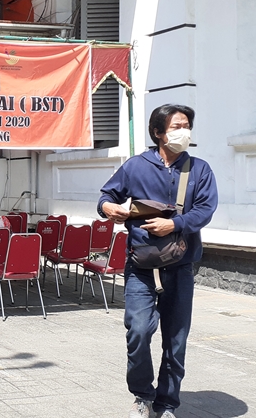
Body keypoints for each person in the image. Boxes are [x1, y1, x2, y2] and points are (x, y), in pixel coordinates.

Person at [97, 104, 218, 418]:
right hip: (140, 266)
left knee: (176, 340)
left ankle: (166, 404)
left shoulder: (199, 169)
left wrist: (174, 224)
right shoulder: (136, 166)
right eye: (177, 126)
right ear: (158, 132)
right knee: (138, 331)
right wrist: (109, 208)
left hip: (180, 266)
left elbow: (205, 210)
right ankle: (142, 395)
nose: (184, 132)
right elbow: (106, 196)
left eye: (187, 126)